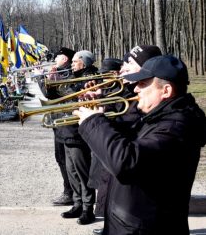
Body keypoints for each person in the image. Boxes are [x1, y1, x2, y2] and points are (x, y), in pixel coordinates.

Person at [75, 55, 206, 235]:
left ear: (166, 90)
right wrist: (101, 112)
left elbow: (125, 161)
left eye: (143, 84)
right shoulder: (155, 116)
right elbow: (124, 139)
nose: (136, 89)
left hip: (147, 228)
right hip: (132, 223)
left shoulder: (176, 128)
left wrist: (93, 123)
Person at [58, 50, 98, 225]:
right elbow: (58, 96)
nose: (72, 64)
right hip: (67, 132)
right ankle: (77, 204)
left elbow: (72, 99)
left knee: (82, 172)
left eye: (75, 61)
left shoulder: (90, 78)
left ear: (84, 62)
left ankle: (88, 208)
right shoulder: (75, 76)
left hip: (78, 132)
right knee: (72, 171)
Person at [38, 47, 76, 206]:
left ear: (65, 59)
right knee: (60, 158)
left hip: (67, 121)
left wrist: (53, 79)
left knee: (68, 160)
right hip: (58, 120)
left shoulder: (70, 74)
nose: (55, 59)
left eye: (58, 57)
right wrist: (42, 79)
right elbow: (48, 95)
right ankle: (69, 191)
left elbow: (66, 93)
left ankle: (71, 193)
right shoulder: (59, 72)